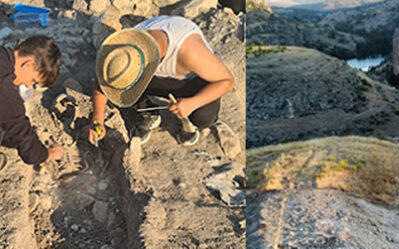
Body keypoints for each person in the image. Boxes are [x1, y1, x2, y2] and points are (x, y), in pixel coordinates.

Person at [88, 15, 235, 147]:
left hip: (191, 80)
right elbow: (103, 82)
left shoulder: (190, 53)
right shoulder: (126, 50)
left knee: (204, 117)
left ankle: (189, 122)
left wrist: (192, 103)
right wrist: (98, 119)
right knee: (120, 87)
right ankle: (150, 113)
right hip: (158, 76)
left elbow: (227, 80)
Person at [0, 36, 62, 171]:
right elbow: (29, 152)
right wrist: (48, 154)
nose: (28, 85)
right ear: (28, 64)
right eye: (33, 80)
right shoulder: (5, 89)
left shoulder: (3, 54)